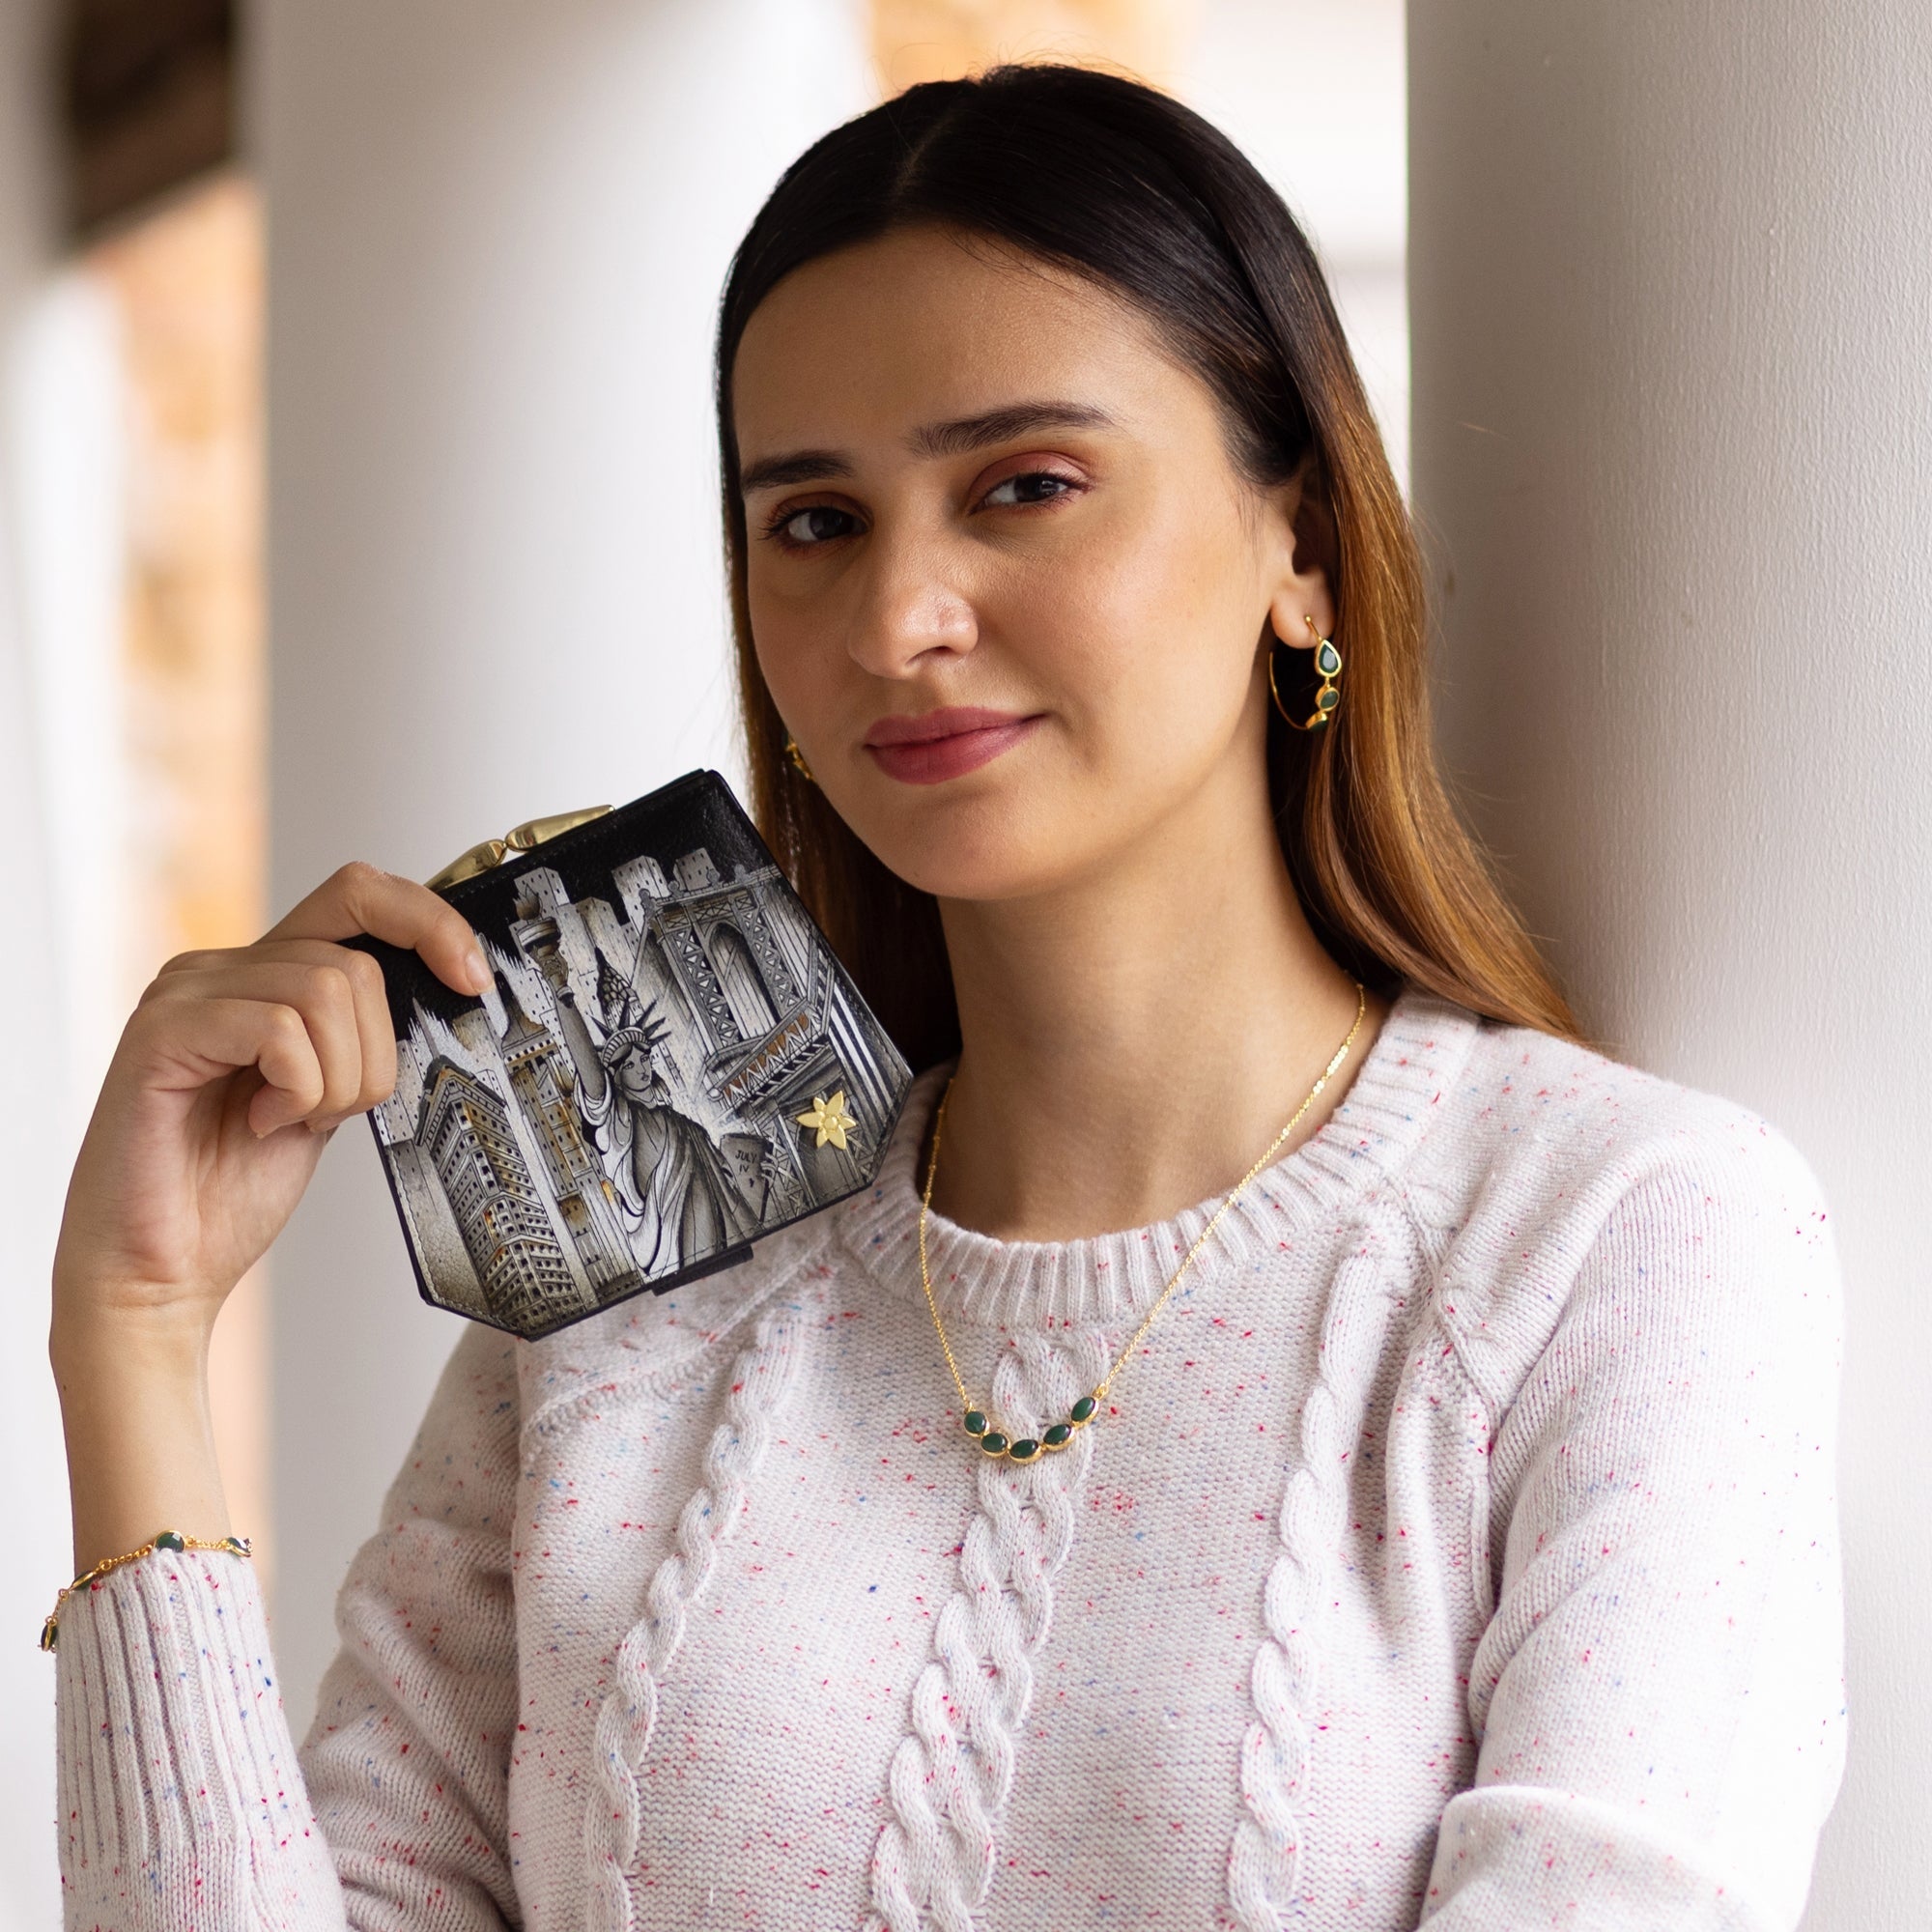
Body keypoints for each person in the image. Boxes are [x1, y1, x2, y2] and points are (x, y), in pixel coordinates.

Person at [45, 64, 1845, 1932]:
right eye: (813, 520)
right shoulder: (625, 1294)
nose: (899, 616)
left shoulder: (1615, 1242)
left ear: (1299, 544)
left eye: (1026, 487)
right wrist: (135, 1331)